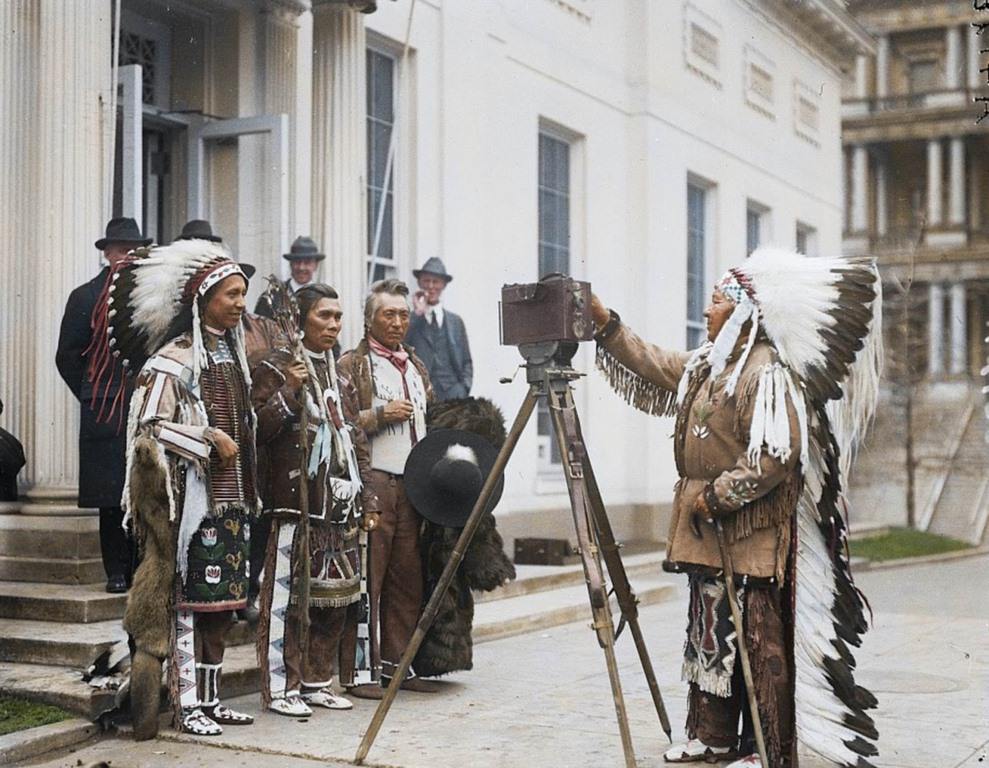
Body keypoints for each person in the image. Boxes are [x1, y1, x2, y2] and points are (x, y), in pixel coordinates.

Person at [591, 247, 882, 768]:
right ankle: (713, 737)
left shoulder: (766, 373)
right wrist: (606, 323)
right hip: (707, 532)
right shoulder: (711, 365)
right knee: (709, 638)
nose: (707, 311)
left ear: (744, 311)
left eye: (716, 301)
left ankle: (765, 749)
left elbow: (776, 456)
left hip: (748, 535)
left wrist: (718, 496)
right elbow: (656, 364)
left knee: (755, 645)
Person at [111, 239, 260, 738]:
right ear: (203, 299)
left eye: (243, 294)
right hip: (188, 502)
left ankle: (213, 701)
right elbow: (148, 428)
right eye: (231, 295)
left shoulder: (233, 356)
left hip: (230, 498)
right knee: (187, 604)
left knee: (221, 607)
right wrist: (204, 436)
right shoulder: (172, 360)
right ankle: (186, 703)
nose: (241, 303)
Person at [252, 283, 380, 717]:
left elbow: (356, 438)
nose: (333, 324)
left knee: (335, 598)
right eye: (324, 315)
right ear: (302, 319)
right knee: (287, 601)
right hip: (295, 505)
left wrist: (369, 499)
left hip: (337, 505)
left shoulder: (340, 375)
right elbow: (259, 432)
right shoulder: (276, 365)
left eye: (338, 317)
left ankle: (315, 681)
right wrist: (289, 388)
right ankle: (280, 687)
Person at [337, 278, 437, 698]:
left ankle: (398, 665)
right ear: (369, 320)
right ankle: (359, 673)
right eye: (387, 315)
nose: (397, 323)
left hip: (412, 485)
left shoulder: (414, 365)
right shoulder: (352, 365)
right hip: (374, 480)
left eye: (402, 315)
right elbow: (337, 425)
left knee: (406, 579)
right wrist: (378, 415)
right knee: (368, 580)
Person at [56, 216, 152, 593]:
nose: (127, 256)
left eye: (134, 250)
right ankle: (115, 571)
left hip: (145, 407)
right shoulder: (84, 297)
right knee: (111, 496)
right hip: (105, 410)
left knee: (144, 490)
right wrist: (92, 392)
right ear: (107, 253)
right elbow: (67, 356)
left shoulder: (149, 299)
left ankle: (142, 568)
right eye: (120, 249)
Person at [405, 257, 473, 401]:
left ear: (443, 285)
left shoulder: (456, 322)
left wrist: (464, 387)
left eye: (435, 281)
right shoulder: (411, 319)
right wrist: (417, 313)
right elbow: (400, 345)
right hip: (421, 394)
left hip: (453, 394)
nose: (431, 286)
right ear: (419, 283)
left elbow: (467, 360)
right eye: (426, 281)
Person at [254, 236, 324, 319]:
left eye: (307, 263)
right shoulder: (272, 296)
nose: (301, 268)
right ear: (290, 264)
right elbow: (257, 328)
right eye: (297, 262)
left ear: (315, 265)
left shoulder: (323, 297)